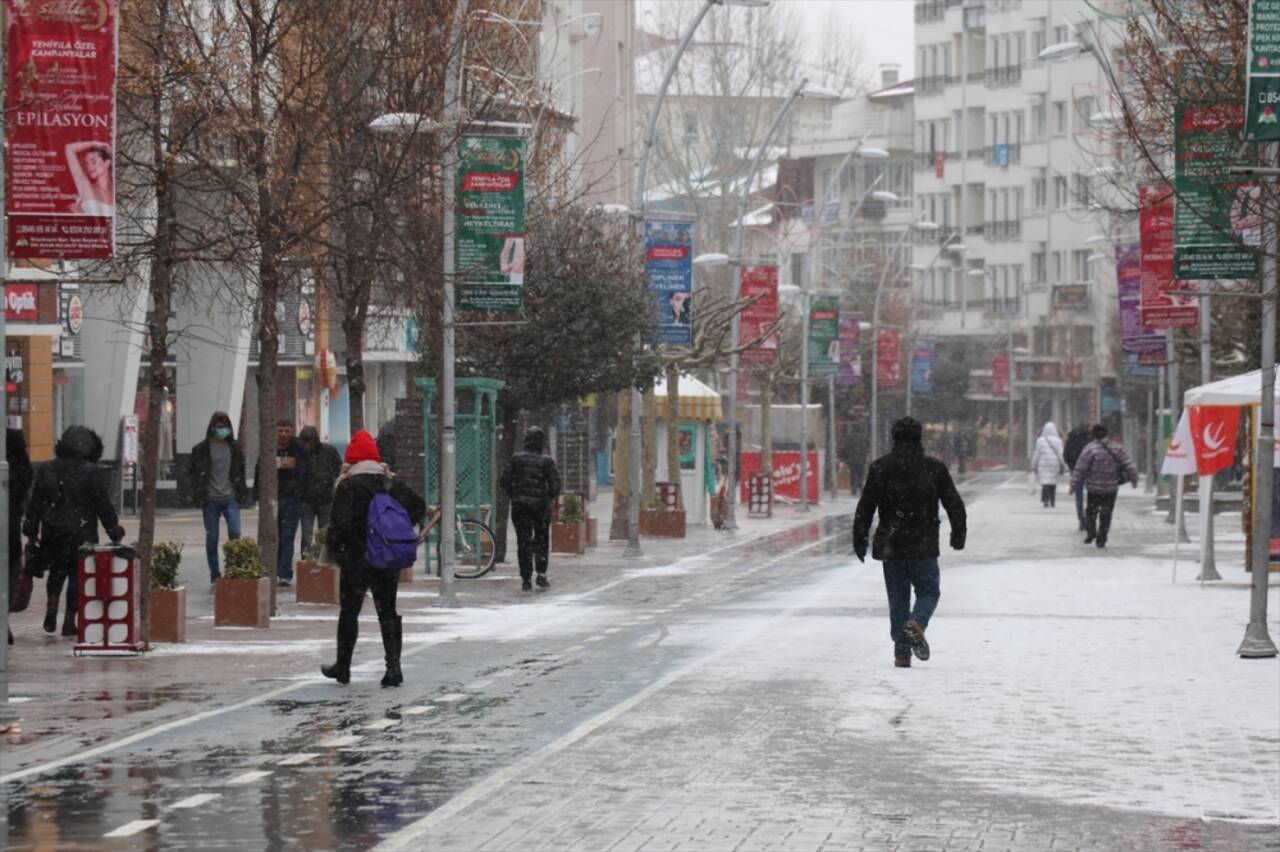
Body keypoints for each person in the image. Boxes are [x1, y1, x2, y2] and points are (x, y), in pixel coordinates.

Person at [853, 417, 966, 669]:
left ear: (893, 438)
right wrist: (958, 534)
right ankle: (917, 622)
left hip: (891, 545)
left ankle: (902, 653)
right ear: (919, 438)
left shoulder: (880, 467)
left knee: (898, 598)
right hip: (923, 544)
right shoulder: (934, 468)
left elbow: (866, 507)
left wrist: (860, 539)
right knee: (928, 592)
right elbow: (954, 503)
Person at [321, 430, 426, 688]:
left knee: (350, 611)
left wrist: (339, 551)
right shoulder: (390, 483)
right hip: (386, 558)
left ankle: (343, 666)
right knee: (387, 611)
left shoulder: (348, 485)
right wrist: (394, 531)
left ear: (352, 459)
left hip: (356, 560)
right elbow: (418, 507)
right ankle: (393, 667)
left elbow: (338, 524)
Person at [23, 426, 125, 637]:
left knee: (57, 572)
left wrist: (31, 530)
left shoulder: (46, 469)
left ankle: (52, 606)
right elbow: (102, 504)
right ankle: (70, 619)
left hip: (53, 530)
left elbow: (36, 503)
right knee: (78, 576)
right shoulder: (93, 472)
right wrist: (114, 530)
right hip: (82, 531)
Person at [499, 427, 561, 592]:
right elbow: (556, 485)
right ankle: (541, 573)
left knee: (523, 541)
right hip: (540, 507)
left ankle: (526, 578)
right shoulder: (547, 462)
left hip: (520, 506)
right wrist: (547, 497)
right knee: (541, 540)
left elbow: (504, 480)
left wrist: (514, 495)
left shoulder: (516, 460)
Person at [189, 412, 249, 583]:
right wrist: (197, 493)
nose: (222, 430)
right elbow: (193, 474)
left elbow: (240, 472)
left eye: (225, 426)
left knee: (235, 532)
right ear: (212, 427)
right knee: (212, 537)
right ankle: (215, 573)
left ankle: (233, 567)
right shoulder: (201, 449)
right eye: (218, 426)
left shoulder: (235, 449)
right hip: (210, 499)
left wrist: (242, 493)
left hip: (230, 497)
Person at [256, 419, 309, 587]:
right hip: (273, 496)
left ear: (292, 432)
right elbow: (260, 470)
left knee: (287, 535)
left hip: (293, 498)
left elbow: (304, 472)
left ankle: (284, 573)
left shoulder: (299, 449)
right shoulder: (269, 448)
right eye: (280, 431)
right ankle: (272, 569)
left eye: (287, 431)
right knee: (272, 535)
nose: (283, 434)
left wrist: (298, 490)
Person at [1070, 424, 1139, 549]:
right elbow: (1129, 464)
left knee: (1091, 511)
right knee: (1106, 513)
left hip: (1093, 488)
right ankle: (1102, 538)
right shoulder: (1117, 448)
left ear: (1094, 435)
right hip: (1111, 488)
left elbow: (1080, 468)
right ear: (1107, 434)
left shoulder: (1090, 449)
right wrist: (1134, 479)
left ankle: (1091, 531)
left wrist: (1074, 484)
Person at [7, 429, 33, 645]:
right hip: (9, 522)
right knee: (9, 570)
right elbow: (25, 484)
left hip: (10, 519)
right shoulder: (20, 464)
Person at [298, 426, 342, 555]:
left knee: (324, 534)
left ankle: (321, 557)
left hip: (324, 498)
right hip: (309, 499)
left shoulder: (328, 451)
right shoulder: (304, 454)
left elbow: (337, 469)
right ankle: (308, 557)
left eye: (309, 441)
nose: (307, 445)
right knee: (307, 534)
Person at [65, 141, 114, 217]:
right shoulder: (86, 187)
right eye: (87, 163)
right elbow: (69, 149)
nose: (89, 167)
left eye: (93, 162)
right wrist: (94, 143)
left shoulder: (116, 192)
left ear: (107, 163)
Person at [1029, 422, 1067, 508]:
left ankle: (1045, 499)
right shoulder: (1059, 441)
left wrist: (1033, 465)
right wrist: (1063, 464)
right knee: (1053, 482)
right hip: (1054, 464)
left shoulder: (1040, 441)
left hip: (1043, 464)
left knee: (1045, 482)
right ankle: (1053, 500)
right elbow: (1061, 454)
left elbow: (1036, 454)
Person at [1063, 424, 1091, 531]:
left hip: (1076, 470)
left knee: (1079, 495)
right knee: (1091, 494)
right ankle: (1089, 517)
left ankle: (1081, 518)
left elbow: (1066, 455)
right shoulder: (1090, 440)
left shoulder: (1071, 439)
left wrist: (1072, 467)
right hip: (1088, 471)